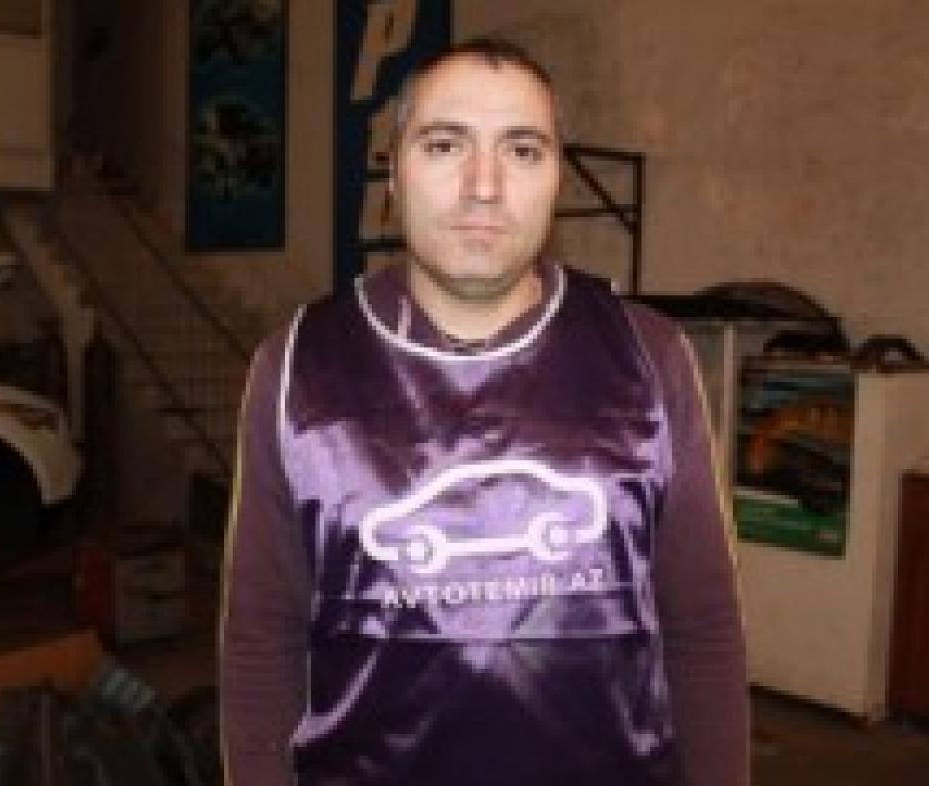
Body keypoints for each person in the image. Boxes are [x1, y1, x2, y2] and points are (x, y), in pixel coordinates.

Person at [219, 37, 749, 786]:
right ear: (393, 174)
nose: (484, 186)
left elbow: (703, 630)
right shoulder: (296, 366)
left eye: (522, 151)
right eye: (445, 145)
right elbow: (261, 642)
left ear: (556, 179)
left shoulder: (650, 355)